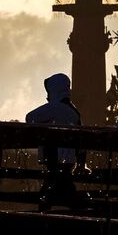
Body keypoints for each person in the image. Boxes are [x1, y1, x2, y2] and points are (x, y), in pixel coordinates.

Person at [25, 73, 85, 211]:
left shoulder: (54, 108)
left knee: (49, 195)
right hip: (68, 163)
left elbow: (30, 118)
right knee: (67, 193)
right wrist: (81, 162)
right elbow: (81, 140)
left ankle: (43, 223)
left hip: (54, 160)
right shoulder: (73, 111)